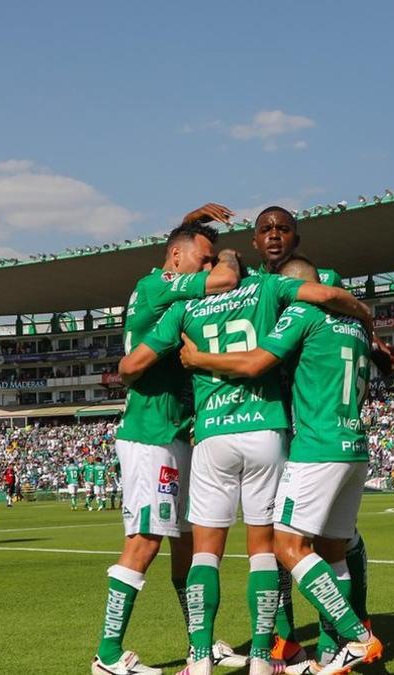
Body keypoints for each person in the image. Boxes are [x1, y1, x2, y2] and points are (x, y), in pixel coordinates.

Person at [120, 254, 374, 675]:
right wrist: (365, 313)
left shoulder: (186, 307)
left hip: (212, 434)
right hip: (266, 429)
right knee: (264, 552)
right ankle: (262, 657)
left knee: (205, 553)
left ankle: (199, 657)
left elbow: (131, 365)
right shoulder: (268, 290)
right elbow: (324, 295)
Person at [90, 206, 242, 675]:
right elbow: (224, 282)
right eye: (203, 258)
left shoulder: (166, 289)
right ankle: (109, 655)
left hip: (176, 435)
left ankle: (200, 644)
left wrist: (192, 222)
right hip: (151, 435)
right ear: (176, 257)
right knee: (145, 542)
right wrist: (231, 256)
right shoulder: (157, 285)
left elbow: (186, 244)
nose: (208, 265)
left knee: (189, 543)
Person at [244, 207, 394, 664]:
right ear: (255, 241)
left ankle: (349, 630)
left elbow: (259, 360)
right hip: (294, 424)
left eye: (282, 228)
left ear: (296, 236)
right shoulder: (247, 283)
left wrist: (374, 332)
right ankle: (293, 639)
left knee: (295, 541)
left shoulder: (318, 285)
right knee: (314, 541)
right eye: (266, 229)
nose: (274, 235)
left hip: (310, 428)